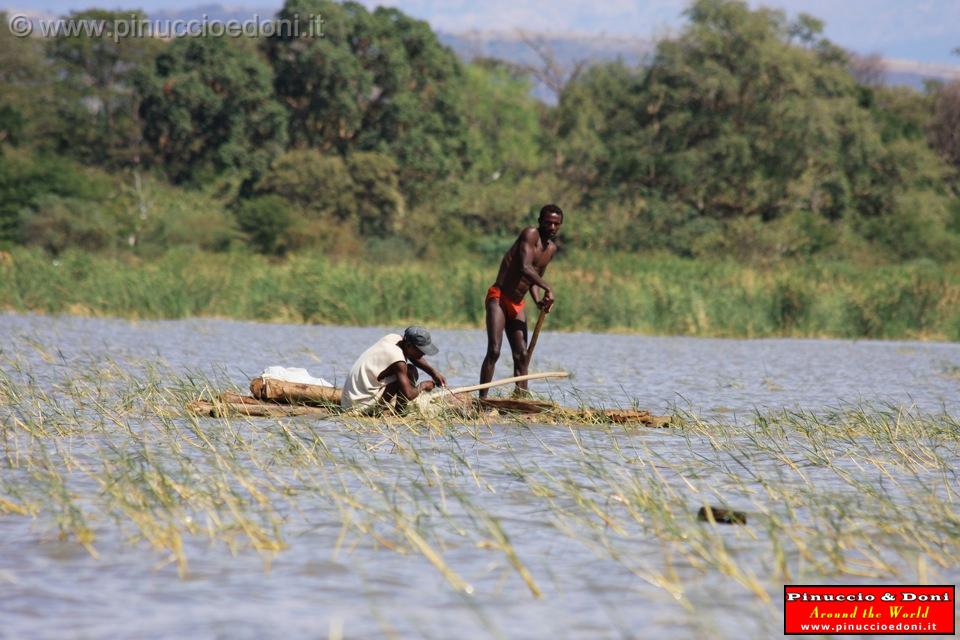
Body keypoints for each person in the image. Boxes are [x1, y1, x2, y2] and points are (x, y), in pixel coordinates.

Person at [479, 204, 563, 398]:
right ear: (540, 221)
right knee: (494, 350)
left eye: (556, 224)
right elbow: (525, 268)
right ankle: (482, 400)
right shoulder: (530, 234)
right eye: (548, 222)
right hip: (499, 298)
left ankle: (520, 399)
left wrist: (537, 301)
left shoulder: (550, 250)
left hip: (517, 304)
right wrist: (548, 288)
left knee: (522, 356)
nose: (551, 227)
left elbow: (532, 278)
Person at [341, 326, 447, 414]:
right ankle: (399, 413)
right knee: (410, 372)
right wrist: (424, 385)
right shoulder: (398, 362)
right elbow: (409, 394)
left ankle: (396, 409)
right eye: (420, 351)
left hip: (348, 401)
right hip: (357, 406)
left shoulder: (394, 338)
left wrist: (433, 373)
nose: (423, 354)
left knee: (409, 369)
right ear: (409, 345)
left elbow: (413, 356)